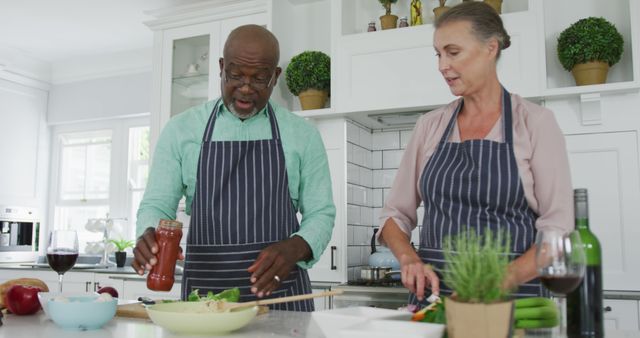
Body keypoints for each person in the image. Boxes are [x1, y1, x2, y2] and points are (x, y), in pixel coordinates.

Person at [378, 2, 573, 306]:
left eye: (453, 52)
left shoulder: (534, 123)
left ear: (490, 48)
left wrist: (493, 283)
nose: (442, 65)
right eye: (438, 54)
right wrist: (408, 258)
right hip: (436, 301)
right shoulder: (430, 126)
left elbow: (558, 234)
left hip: (513, 301)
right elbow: (394, 216)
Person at [132, 24, 335, 312]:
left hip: (282, 299)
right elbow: (156, 205)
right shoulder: (181, 130)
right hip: (205, 304)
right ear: (221, 67)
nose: (245, 88)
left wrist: (297, 246)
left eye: (259, 78)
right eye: (236, 75)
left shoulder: (303, 134)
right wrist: (148, 233)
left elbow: (321, 213)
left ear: (275, 77)